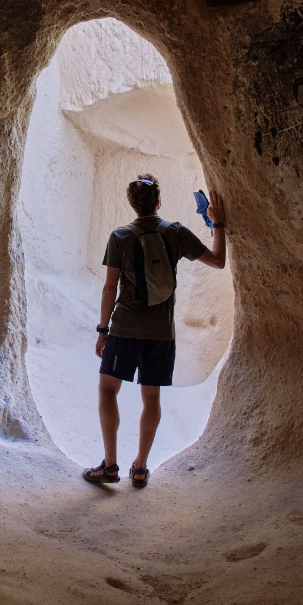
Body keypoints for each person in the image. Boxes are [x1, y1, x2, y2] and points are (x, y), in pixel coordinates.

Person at [83, 173, 226, 490]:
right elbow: (218, 261)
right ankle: (141, 467)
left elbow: (110, 288)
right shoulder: (175, 233)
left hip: (124, 329)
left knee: (108, 391)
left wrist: (103, 330)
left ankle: (109, 465)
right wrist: (219, 223)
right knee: (152, 397)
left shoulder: (120, 236)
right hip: (161, 333)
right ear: (158, 202)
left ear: (132, 205)